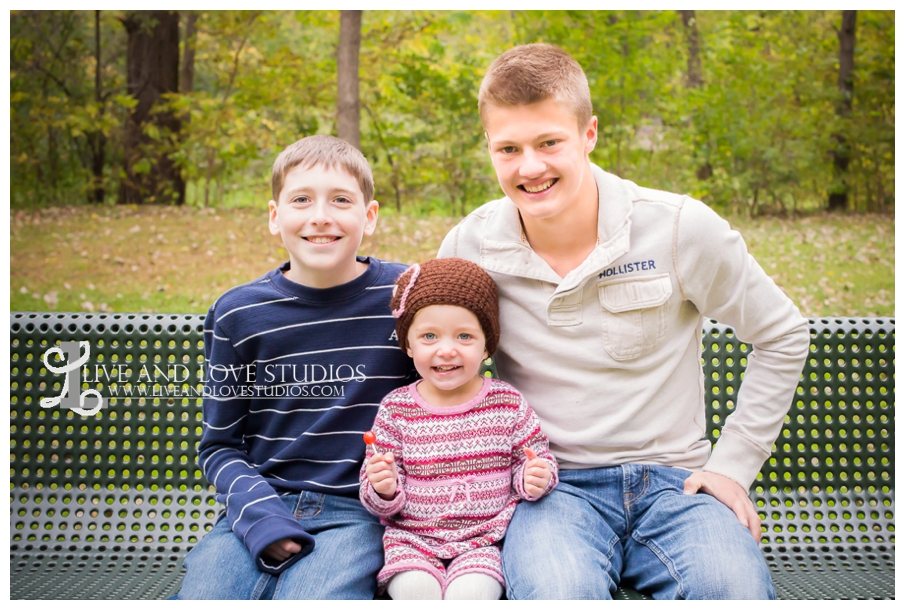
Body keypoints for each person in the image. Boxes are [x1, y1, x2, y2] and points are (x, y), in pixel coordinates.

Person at [438, 43, 811, 600]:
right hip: (548, 490)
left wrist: (732, 466)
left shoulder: (678, 228)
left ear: (589, 135)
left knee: (734, 592)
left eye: (549, 142)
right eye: (508, 148)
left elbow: (782, 333)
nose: (530, 167)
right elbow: (435, 363)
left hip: (677, 485)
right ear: (488, 148)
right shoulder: (471, 246)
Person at [175, 135, 417, 599]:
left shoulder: (404, 297)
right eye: (301, 199)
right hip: (260, 505)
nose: (320, 216)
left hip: (362, 512)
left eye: (341, 200)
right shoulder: (238, 314)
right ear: (274, 216)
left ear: (369, 217)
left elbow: (440, 403)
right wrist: (261, 516)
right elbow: (219, 446)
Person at [359, 257, 558, 600]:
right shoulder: (396, 408)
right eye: (429, 336)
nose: (446, 349)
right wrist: (384, 489)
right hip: (412, 541)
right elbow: (376, 495)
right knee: (416, 591)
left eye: (464, 335)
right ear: (408, 344)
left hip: (484, 540)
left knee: (473, 594)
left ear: (487, 345)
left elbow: (536, 459)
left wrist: (535, 477)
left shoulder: (506, 403)